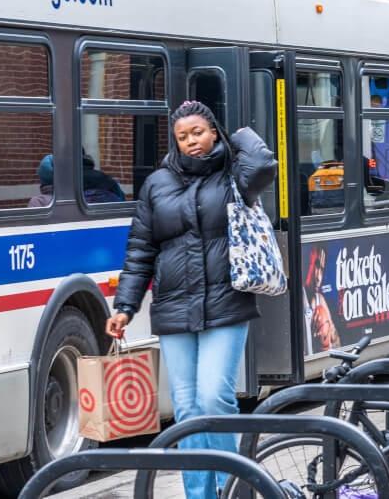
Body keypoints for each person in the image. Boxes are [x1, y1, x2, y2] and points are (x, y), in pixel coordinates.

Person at [105, 100, 277, 499]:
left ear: (214, 131)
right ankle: (199, 495)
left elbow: (265, 164)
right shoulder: (158, 183)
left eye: (198, 132)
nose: (191, 142)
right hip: (174, 306)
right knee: (185, 409)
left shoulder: (235, 174)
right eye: (182, 137)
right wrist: (125, 307)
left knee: (213, 398)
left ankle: (231, 488)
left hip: (226, 303)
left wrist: (236, 134)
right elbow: (140, 249)